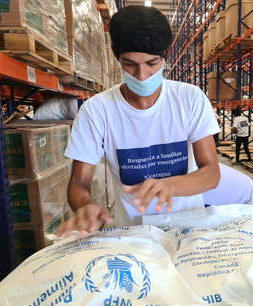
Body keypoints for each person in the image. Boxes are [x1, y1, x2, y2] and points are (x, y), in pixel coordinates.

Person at [56, 6, 220, 236]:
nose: (141, 75)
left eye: (152, 63)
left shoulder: (189, 99)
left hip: (190, 233)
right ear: (115, 54)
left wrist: (170, 185)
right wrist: (85, 206)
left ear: (167, 53)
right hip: (134, 237)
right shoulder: (97, 110)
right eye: (129, 64)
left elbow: (211, 173)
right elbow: (78, 183)